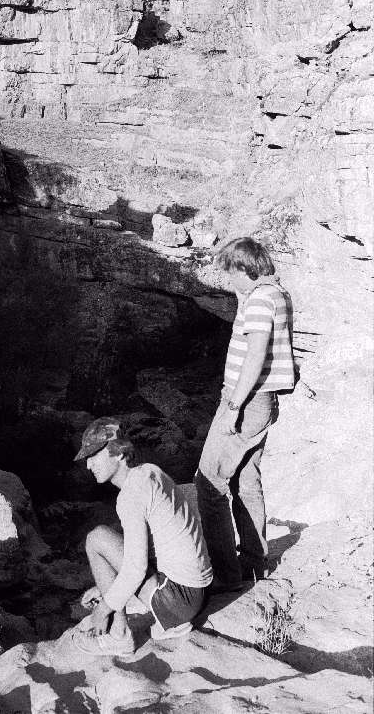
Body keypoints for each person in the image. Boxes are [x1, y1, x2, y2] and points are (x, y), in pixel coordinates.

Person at [195, 236, 295, 591]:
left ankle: (226, 574)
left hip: (246, 400)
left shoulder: (260, 301)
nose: (228, 280)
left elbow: (253, 357)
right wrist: (243, 296)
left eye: (230, 272)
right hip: (263, 400)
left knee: (209, 482)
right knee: (245, 480)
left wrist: (232, 408)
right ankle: (254, 564)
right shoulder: (275, 294)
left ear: (243, 268)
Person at [72, 418, 213, 656]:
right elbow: (147, 547)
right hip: (199, 591)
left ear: (118, 453)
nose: (88, 465)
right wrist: (105, 587)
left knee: (96, 539)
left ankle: (119, 637)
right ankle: (156, 615)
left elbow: (136, 568)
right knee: (113, 544)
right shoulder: (150, 471)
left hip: (179, 601)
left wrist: (101, 611)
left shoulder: (130, 496)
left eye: (94, 455)